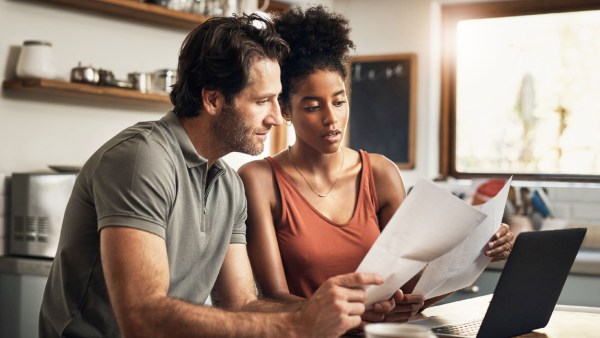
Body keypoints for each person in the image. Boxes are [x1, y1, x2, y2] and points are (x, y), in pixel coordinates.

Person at [39, 13, 385, 338]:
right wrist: (296, 327)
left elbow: (243, 304)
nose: (276, 119)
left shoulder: (228, 184)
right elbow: (141, 316)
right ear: (214, 100)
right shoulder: (142, 159)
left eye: (277, 100)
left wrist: (337, 311)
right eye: (262, 101)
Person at [238, 5, 515, 325]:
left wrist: (478, 252)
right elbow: (273, 298)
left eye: (339, 101)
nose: (332, 119)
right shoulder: (259, 180)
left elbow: (412, 290)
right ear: (285, 109)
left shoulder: (380, 174)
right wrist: (357, 314)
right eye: (313, 106)